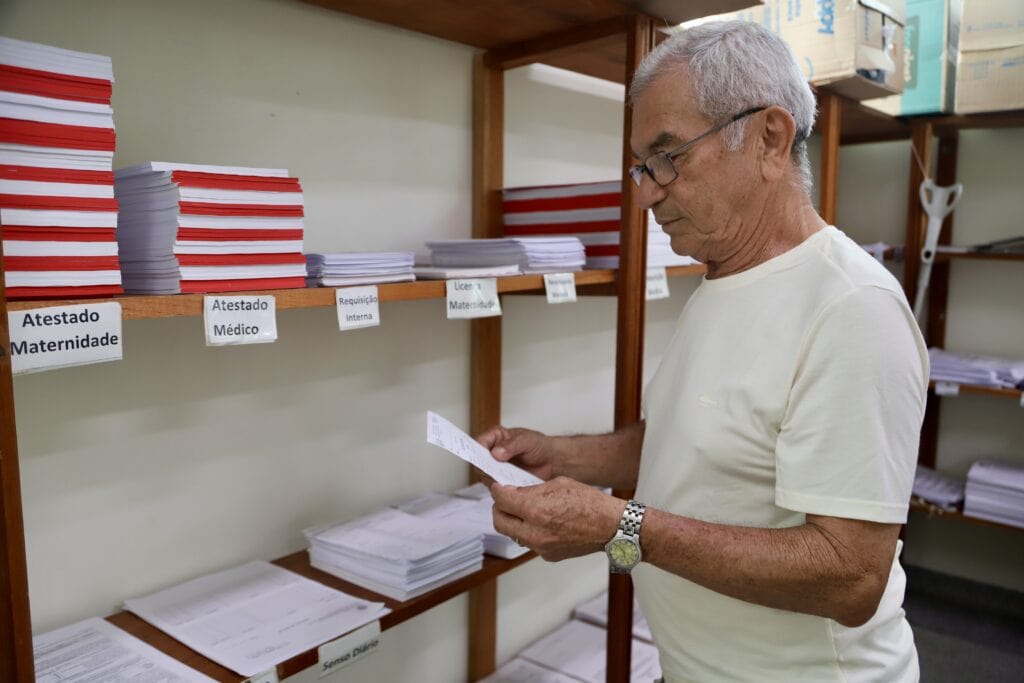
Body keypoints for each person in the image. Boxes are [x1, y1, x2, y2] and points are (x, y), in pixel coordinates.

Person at [478, 20, 928, 683]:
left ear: (770, 140)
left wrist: (617, 525)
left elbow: (850, 575)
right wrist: (566, 455)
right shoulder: (721, 277)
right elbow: (694, 439)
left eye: (668, 158)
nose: (645, 192)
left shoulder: (851, 309)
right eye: (639, 167)